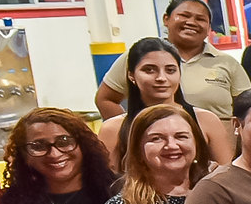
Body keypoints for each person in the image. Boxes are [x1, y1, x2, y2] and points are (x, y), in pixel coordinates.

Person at [97, 0, 251, 121]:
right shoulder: (140, 56)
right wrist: (130, 132)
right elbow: (105, 99)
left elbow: (248, 108)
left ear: (209, 27)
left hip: (218, 148)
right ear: (166, 19)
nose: (191, 22)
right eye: (184, 15)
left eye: (200, 19)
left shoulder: (227, 62)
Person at [99, 37, 234, 167]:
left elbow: (227, 177)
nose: (161, 78)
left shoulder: (206, 120)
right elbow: (107, 184)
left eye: (170, 70)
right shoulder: (113, 129)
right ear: (131, 75)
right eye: (149, 70)